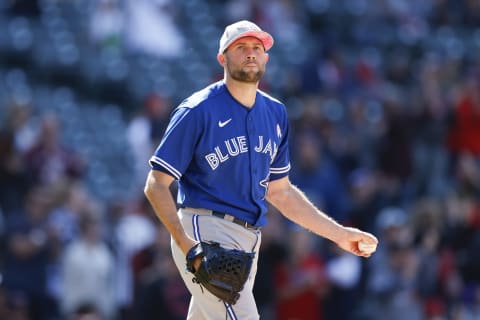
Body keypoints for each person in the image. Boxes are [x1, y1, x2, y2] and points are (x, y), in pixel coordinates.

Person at [143, 19, 378, 320]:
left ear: (266, 57)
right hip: (206, 232)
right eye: (241, 47)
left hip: (250, 242)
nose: (251, 53)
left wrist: (339, 235)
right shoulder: (197, 110)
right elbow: (156, 184)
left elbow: (280, 192)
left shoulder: (276, 113)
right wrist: (186, 245)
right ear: (223, 58)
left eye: (257, 47)